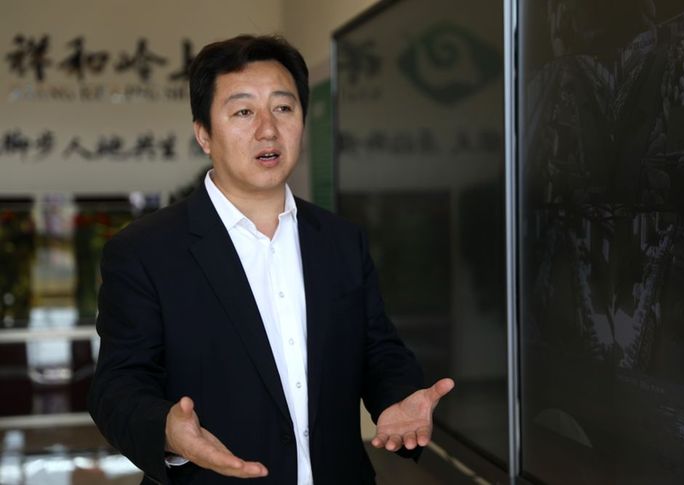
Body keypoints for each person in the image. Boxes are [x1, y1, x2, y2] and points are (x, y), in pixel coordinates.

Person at [87, 34, 454, 485]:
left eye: (283, 108)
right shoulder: (145, 250)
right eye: (243, 112)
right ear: (204, 134)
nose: (267, 129)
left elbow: (378, 349)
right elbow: (118, 386)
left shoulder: (340, 240)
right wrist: (166, 430)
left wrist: (397, 398)